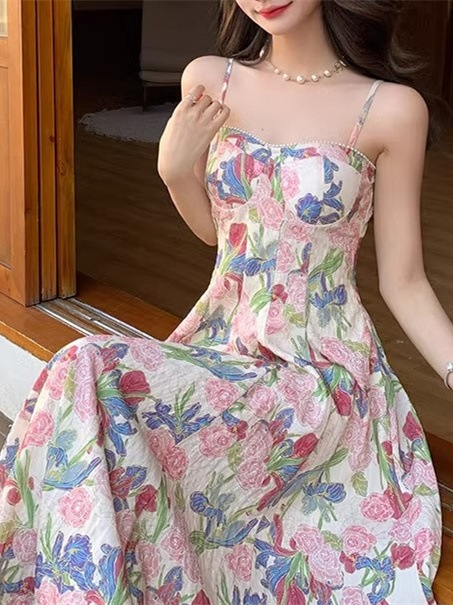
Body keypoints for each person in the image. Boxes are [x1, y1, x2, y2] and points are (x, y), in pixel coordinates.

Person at [1, 0, 452, 603]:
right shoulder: (211, 79)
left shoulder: (390, 109)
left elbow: (406, 282)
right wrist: (174, 171)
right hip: (221, 345)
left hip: (317, 376)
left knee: (86, 370)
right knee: (82, 382)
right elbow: (222, 235)